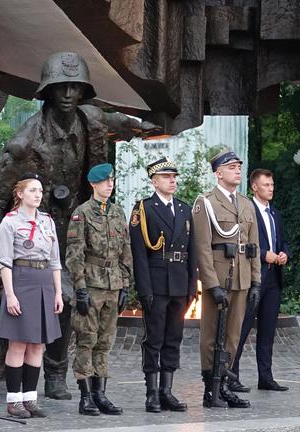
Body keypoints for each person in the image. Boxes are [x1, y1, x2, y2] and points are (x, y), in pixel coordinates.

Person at [0, 52, 157, 399]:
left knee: (70, 301)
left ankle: (57, 374)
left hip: (76, 228)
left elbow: (119, 121)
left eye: (76, 87)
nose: (68, 94)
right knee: (37, 305)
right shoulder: (23, 142)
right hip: (34, 232)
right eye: (61, 86)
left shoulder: (90, 120)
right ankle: (24, 380)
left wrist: (149, 126)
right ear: (47, 91)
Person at [192, 148, 260, 409]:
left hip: (242, 277)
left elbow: (253, 245)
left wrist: (256, 281)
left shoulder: (245, 204)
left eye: (239, 166)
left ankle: (226, 384)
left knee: (232, 335)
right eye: (231, 167)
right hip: (219, 278)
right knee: (211, 334)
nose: (237, 170)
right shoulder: (205, 202)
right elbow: (202, 248)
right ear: (218, 173)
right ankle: (211, 387)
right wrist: (211, 284)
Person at [129, 157, 197, 412]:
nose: (173, 181)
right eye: (167, 177)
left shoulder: (184, 209)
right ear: (154, 181)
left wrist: (192, 286)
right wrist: (144, 289)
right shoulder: (143, 209)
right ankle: (151, 394)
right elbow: (139, 254)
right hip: (156, 283)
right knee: (154, 338)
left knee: (173, 338)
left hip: (179, 282)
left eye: (174, 177)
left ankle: (167, 391)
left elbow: (192, 250)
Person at [65, 163, 132, 416]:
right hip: (91, 285)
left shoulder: (117, 212)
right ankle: (85, 397)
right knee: (87, 339)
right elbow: (74, 254)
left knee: (105, 342)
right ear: (94, 184)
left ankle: (100, 394)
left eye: (112, 180)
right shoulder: (81, 213)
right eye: (105, 181)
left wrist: (125, 284)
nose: (110, 184)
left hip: (113, 284)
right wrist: (80, 287)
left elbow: (126, 250)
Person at [0, 173, 64, 418]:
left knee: (37, 344)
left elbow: (55, 260)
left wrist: (58, 292)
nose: (38, 195)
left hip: (44, 281)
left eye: (40, 191)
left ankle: (30, 398)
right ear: (20, 193)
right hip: (21, 281)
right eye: (33, 190)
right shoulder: (10, 222)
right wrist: (10, 295)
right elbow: (4, 262)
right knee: (18, 343)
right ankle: (13, 400)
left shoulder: (47, 221)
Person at [228, 168, 290, 392]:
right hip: (253, 277)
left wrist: (285, 254)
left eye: (272, 185)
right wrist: (264, 254)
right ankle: (231, 376)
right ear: (255, 187)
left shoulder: (276, 214)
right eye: (266, 185)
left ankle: (266, 377)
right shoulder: (247, 211)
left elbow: (284, 243)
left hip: (274, 279)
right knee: (241, 329)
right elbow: (241, 242)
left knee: (267, 331)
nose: (271, 188)